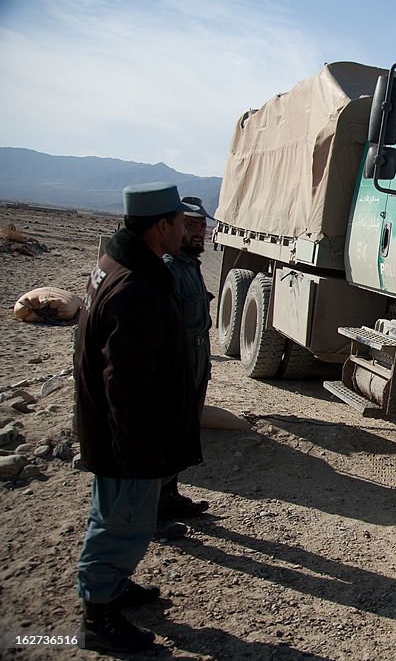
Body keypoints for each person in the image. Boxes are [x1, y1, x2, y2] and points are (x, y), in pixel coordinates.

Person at [74, 182, 203, 652]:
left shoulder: (116, 265)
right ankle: (98, 616)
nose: (185, 229)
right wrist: (137, 450)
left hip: (114, 431)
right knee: (122, 518)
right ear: (159, 227)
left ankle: (113, 586)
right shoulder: (137, 287)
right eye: (178, 221)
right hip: (126, 437)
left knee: (114, 512)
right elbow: (124, 382)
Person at [158, 196, 213, 524]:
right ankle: (157, 508)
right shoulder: (169, 269)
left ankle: (171, 496)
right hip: (178, 361)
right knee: (167, 430)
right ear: (176, 228)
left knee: (184, 430)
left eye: (202, 226)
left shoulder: (191, 265)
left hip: (196, 358)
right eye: (191, 225)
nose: (199, 232)